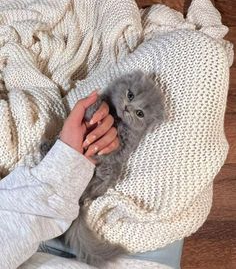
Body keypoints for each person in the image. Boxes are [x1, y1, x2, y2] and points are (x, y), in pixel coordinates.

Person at [0, 89, 183, 269]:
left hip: (38, 223)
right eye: (130, 98)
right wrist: (66, 164)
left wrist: (67, 160)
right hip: (129, 249)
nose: (128, 107)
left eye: (137, 110)